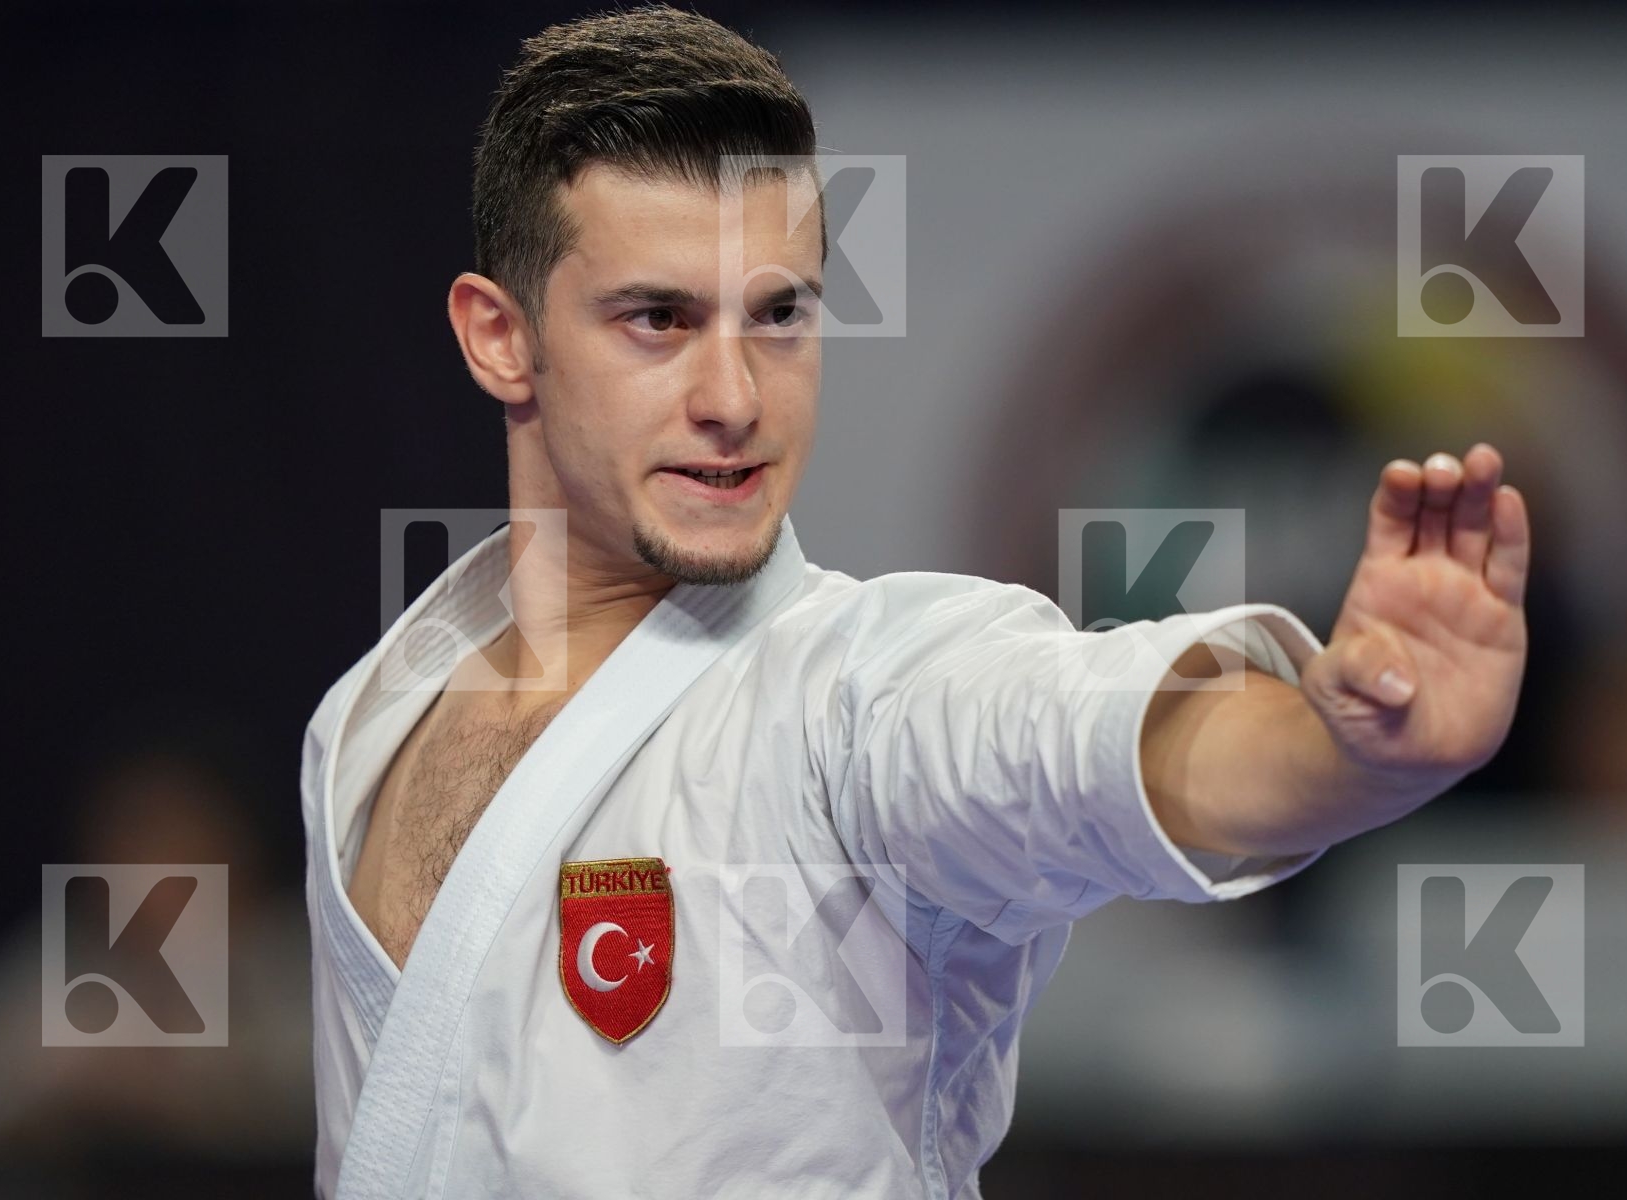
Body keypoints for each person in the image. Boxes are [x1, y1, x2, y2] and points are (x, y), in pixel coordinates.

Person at [300, 6, 1529, 1197]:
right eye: (658, 320)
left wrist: (1343, 746)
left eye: (779, 315)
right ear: (499, 338)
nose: (734, 395)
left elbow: (1062, 738)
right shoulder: (366, 721)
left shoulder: (857, 695)